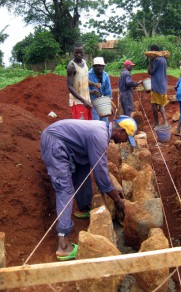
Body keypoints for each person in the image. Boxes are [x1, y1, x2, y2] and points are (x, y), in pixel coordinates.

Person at [40, 115, 138, 260]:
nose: (123, 143)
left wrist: (112, 191)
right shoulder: (99, 136)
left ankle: (84, 208)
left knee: (83, 164)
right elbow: (100, 172)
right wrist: (117, 200)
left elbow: (94, 165)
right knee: (65, 190)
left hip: (60, 140)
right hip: (55, 143)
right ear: (121, 132)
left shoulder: (102, 130)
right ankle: (63, 246)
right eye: (126, 138)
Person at [67, 43, 100, 120]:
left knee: (87, 125)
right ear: (73, 53)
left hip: (87, 101)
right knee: (81, 127)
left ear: (83, 52)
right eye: (76, 52)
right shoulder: (71, 66)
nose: (79, 55)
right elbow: (69, 86)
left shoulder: (84, 63)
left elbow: (83, 79)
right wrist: (83, 101)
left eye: (80, 52)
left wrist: (93, 84)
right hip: (78, 102)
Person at [89, 57, 115, 123]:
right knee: (96, 123)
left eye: (102, 66)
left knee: (105, 123)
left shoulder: (105, 75)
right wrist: (92, 92)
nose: (100, 67)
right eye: (98, 66)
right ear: (94, 67)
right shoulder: (88, 75)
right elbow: (84, 90)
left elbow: (108, 91)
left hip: (103, 102)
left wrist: (109, 105)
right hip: (92, 103)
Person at [148, 44, 168, 127]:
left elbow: (150, 72)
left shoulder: (156, 60)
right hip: (163, 85)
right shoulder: (163, 59)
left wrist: (150, 61)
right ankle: (165, 121)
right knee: (161, 105)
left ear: (153, 51)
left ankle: (156, 123)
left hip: (156, 86)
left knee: (154, 104)